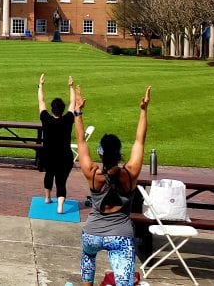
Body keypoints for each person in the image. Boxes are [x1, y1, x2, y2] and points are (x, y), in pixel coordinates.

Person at [74, 85, 151, 286]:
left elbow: (81, 142)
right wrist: (143, 111)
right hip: (121, 236)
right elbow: (139, 142)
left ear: (101, 153)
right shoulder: (130, 173)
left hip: (92, 233)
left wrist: (78, 112)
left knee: (88, 256)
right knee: (124, 281)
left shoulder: (93, 174)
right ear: (118, 154)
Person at [37, 73, 75, 214]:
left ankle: (47, 198)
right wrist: (71, 86)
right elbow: (73, 104)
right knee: (61, 181)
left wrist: (41, 85)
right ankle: (60, 207)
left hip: (48, 155)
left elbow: (41, 102)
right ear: (62, 109)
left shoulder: (46, 119)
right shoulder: (68, 119)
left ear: (52, 109)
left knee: (49, 175)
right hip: (65, 156)